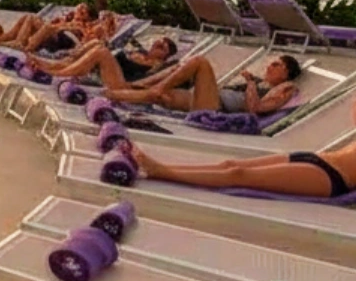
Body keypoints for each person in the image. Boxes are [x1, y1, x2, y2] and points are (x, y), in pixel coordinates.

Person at [125, 104, 356, 199]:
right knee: (231, 165)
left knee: (239, 176)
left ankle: (164, 172)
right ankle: (162, 168)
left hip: (331, 178)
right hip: (316, 158)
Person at [105, 54, 302, 115]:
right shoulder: (260, 81)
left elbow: (255, 108)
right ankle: (111, 95)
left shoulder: (283, 89)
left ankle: (155, 87)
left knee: (200, 62)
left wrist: (250, 82)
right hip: (204, 99)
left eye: (277, 65)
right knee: (163, 97)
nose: (270, 66)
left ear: (286, 73)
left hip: (214, 108)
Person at [32, 36, 178, 89]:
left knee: (101, 52)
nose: (157, 45)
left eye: (162, 47)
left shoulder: (157, 65)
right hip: (108, 73)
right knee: (98, 45)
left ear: (165, 56)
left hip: (121, 84)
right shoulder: (140, 53)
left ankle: (56, 74)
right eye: (158, 43)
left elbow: (155, 79)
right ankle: (49, 65)